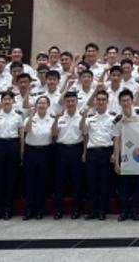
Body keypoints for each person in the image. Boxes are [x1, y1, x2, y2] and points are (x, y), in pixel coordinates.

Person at [82, 90, 117, 220]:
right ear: (95, 101)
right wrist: (84, 153)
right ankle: (92, 211)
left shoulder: (113, 118)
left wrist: (114, 153)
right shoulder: (89, 118)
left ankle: (102, 211)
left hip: (106, 152)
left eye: (103, 99)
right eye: (99, 99)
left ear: (107, 101)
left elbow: (116, 137)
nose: (101, 102)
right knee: (91, 183)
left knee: (104, 183)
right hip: (92, 152)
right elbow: (84, 134)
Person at [113, 89, 139, 222]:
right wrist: (117, 162)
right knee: (124, 186)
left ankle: (135, 211)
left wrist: (130, 121)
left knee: (138, 185)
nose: (126, 103)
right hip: (125, 156)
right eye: (123, 101)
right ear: (119, 103)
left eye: (128, 100)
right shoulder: (117, 119)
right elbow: (116, 141)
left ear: (132, 101)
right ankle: (124, 211)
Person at [0, 91, 23, 221]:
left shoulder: (18, 116)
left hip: (12, 145)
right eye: (4, 99)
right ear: (1, 101)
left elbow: (21, 135)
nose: (7, 101)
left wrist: (21, 151)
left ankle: (8, 210)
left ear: (13, 101)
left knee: (10, 178)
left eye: (9, 99)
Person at [22, 95, 54, 220]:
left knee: (42, 181)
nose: (41, 105)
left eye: (44, 103)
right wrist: (30, 116)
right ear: (36, 105)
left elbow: (54, 135)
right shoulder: (29, 118)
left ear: (48, 105)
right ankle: (29, 210)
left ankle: (40, 210)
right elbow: (26, 130)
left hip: (45, 152)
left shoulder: (51, 119)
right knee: (29, 181)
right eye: (39, 103)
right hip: (31, 151)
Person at [53, 91, 85, 220]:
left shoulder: (82, 117)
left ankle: (77, 210)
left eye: (73, 101)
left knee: (77, 182)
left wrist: (84, 152)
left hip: (77, 150)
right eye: (68, 101)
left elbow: (85, 136)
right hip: (61, 150)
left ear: (77, 102)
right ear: (65, 103)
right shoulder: (60, 118)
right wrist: (56, 119)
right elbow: (54, 134)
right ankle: (58, 210)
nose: (70, 103)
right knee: (59, 182)